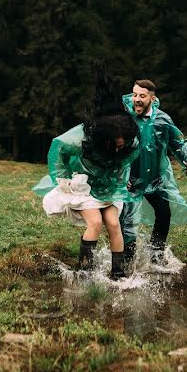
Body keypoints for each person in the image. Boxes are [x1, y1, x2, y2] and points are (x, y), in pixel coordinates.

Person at [33, 76, 140, 280]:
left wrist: (120, 181)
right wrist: (64, 180)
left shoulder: (127, 144)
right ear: (104, 139)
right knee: (96, 223)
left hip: (109, 189)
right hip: (84, 189)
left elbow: (124, 164)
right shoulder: (82, 140)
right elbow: (58, 149)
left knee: (114, 224)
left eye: (122, 144)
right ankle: (84, 272)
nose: (120, 148)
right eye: (115, 144)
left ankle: (118, 275)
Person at [119, 79, 187, 269]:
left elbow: (177, 142)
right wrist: (121, 176)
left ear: (152, 99)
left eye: (142, 96)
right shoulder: (124, 118)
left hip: (156, 179)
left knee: (164, 214)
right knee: (128, 222)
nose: (136, 99)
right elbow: (114, 148)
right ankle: (125, 262)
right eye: (135, 95)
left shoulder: (163, 119)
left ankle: (156, 255)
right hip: (131, 180)